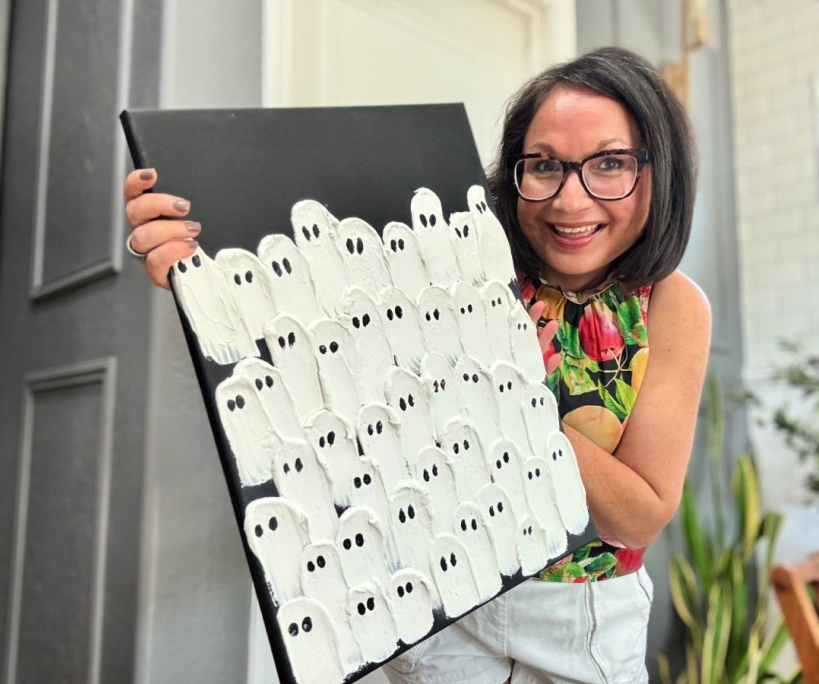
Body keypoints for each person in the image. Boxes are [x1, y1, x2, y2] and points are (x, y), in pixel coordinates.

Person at [124, 46, 711, 684]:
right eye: (543, 165)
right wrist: (195, 265)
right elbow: (312, 325)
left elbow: (638, 515)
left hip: (582, 621)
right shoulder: (451, 257)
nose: (570, 200)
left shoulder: (671, 305)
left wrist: (500, 393)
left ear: (661, 171)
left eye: (611, 163)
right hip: (435, 598)